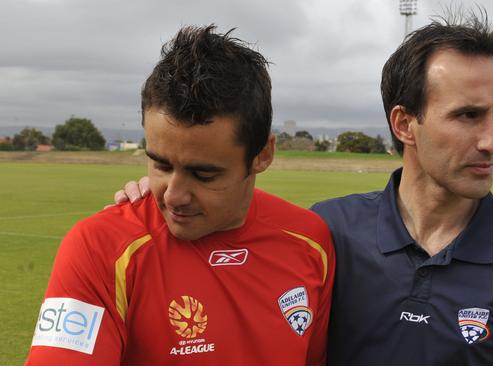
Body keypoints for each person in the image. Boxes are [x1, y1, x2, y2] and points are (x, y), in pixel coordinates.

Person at [112, 12, 493, 366]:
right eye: (468, 116)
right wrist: (156, 196)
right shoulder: (324, 233)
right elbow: (214, 252)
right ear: (405, 123)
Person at [26, 25, 334, 366]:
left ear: (262, 154)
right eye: (160, 165)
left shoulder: (310, 239)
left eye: (203, 174)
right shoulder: (99, 246)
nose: (173, 196)